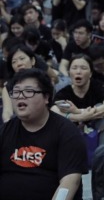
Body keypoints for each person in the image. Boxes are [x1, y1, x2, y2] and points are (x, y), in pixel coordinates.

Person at [0, 68, 88, 199]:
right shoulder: (5, 131)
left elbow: (70, 181)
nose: (20, 96)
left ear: (46, 97)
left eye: (29, 91)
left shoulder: (67, 132)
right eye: (16, 92)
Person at [51, 54, 104, 145]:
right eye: (74, 68)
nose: (78, 71)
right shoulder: (64, 92)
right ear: (69, 72)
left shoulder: (100, 86)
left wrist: (78, 111)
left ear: (90, 73)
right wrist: (78, 117)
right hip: (73, 134)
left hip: (98, 130)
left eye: (83, 68)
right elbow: (53, 111)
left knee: (103, 114)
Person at [2, 44, 58, 122]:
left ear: (32, 61)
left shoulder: (45, 82)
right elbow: (7, 112)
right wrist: (8, 124)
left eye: (22, 59)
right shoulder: (8, 87)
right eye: (14, 62)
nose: (19, 64)